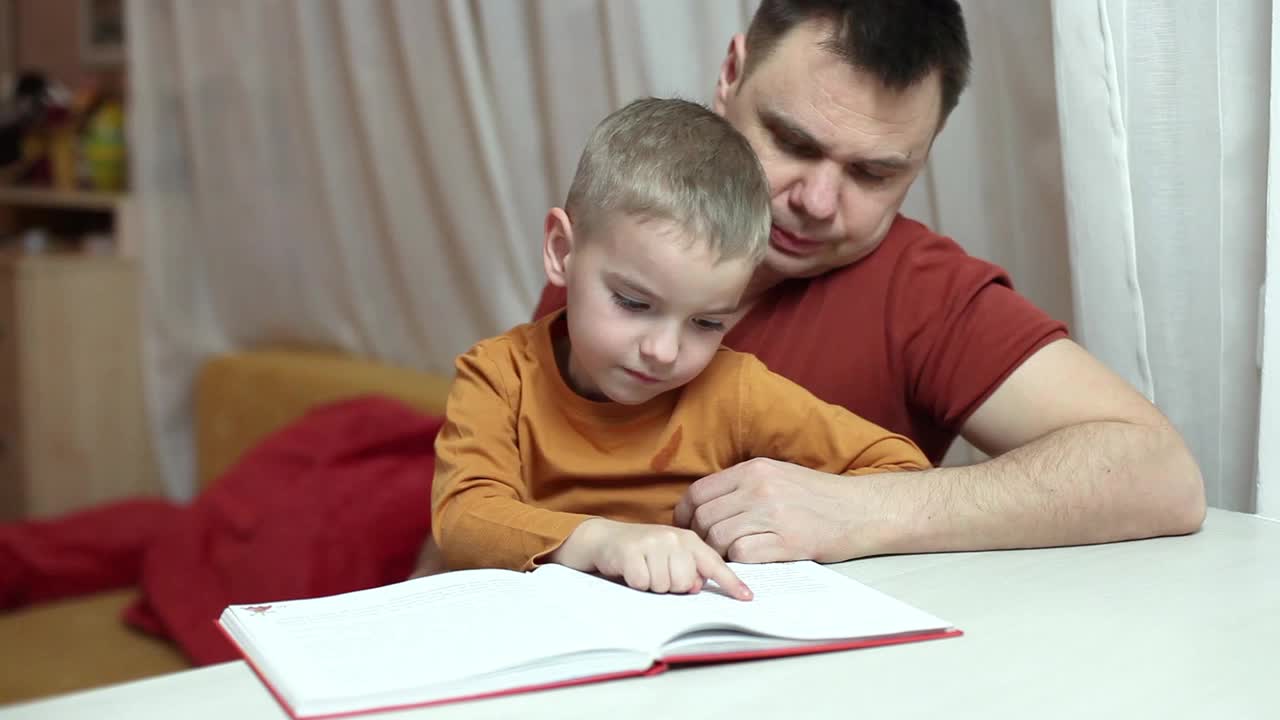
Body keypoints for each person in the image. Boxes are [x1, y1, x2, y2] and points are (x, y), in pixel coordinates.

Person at [533, 0, 1206, 564]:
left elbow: (1160, 473)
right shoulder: (621, 229)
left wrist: (861, 509)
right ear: (731, 75)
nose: (819, 202)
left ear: (925, 154)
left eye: (874, 174)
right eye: (792, 143)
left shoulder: (920, 291)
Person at [431, 97, 929, 599]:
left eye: (707, 322)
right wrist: (601, 540)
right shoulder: (498, 376)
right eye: (632, 302)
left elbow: (901, 470)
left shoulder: (736, 390)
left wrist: (789, 506)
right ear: (563, 251)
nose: (666, 351)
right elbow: (463, 516)